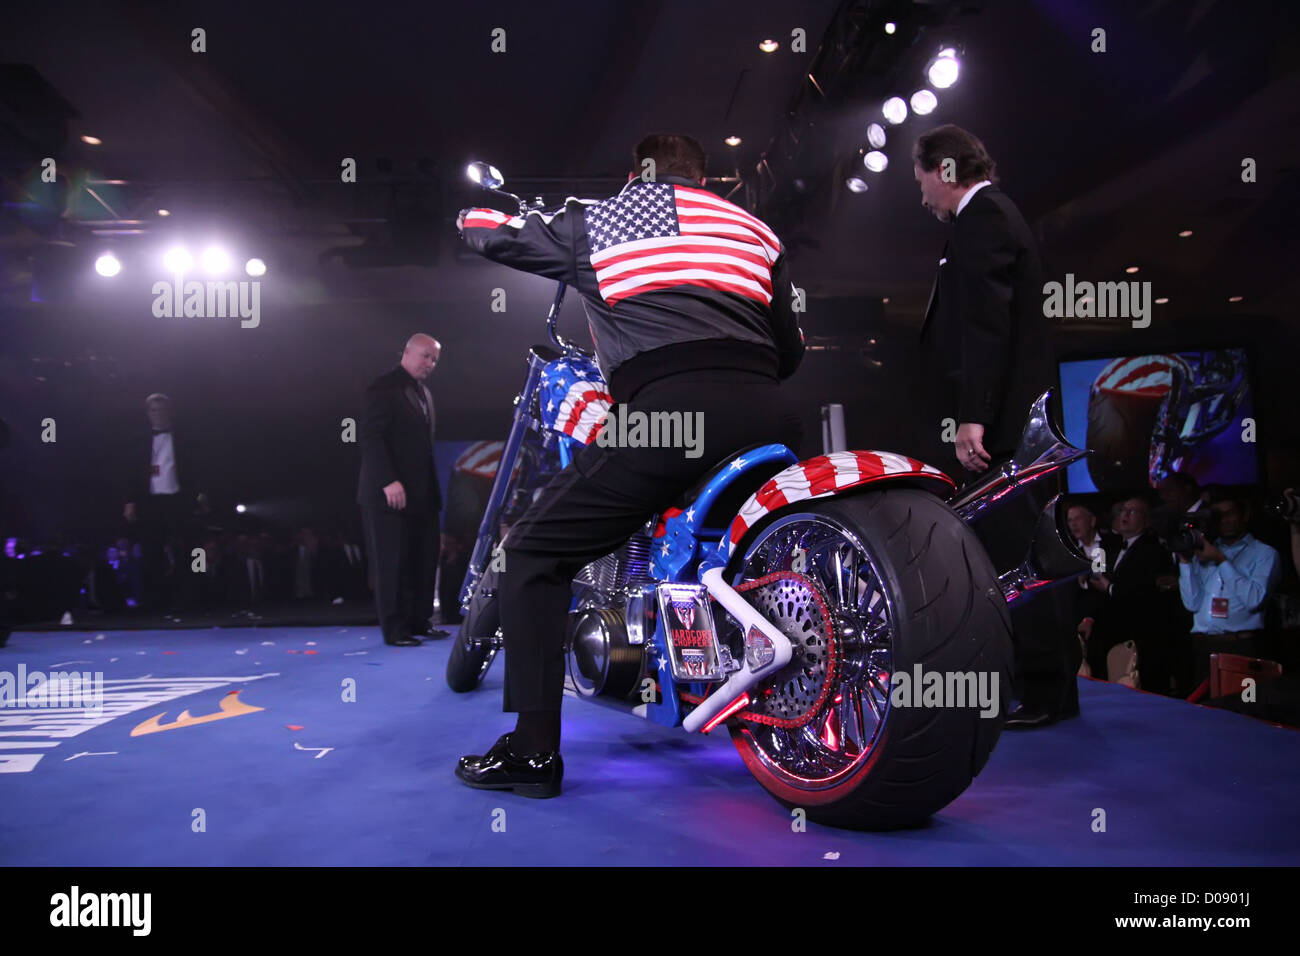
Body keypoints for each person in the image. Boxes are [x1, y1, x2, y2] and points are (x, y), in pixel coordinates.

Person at [453, 133, 804, 797]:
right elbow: (789, 349)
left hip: (669, 411)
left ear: (636, 175)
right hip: (772, 410)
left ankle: (531, 755)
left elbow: (490, 233)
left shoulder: (611, 216)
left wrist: (477, 212)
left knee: (530, 553)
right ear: (701, 177)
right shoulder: (752, 228)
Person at [911, 124, 1069, 728]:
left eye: (920, 176)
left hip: (1003, 425)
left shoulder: (985, 219)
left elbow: (986, 327)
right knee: (1019, 546)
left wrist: (973, 415)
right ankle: (1041, 686)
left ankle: (1044, 689)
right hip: (1008, 420)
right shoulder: (986, 219)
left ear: (943, 170)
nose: (920, 191)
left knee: (1020, 549)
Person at [357, 334, 447, 646]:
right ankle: (395, 630)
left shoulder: (426, 395)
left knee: (424, 559)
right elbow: (371, 437)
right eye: (425, 356)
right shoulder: (382, 388)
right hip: (388, 493)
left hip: (422, 495)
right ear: (407, 353)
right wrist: (387, 480)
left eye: (434, 359)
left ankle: (420, 622)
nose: (430, 364)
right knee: (392, 563)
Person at [1177, 488, 1281, 689]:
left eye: (1230, 513)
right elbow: (1192, 604)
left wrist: (1221, 560)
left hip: (1241, 647)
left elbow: (1254, 601)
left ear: (1245, 515)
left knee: (1244, 708)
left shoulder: (1264, 553)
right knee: (1206, 711)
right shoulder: (1204, 550)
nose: (1224, 520)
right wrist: (1185, 561)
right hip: (1204, 646)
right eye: (1217, 516)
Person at [1084, 495, 1174, 685]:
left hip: (1138, 634)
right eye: (1123, 510)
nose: (1124, 515)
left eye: (1132, 511)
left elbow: (1145, 591)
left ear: (1146, 519)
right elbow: (1095, 580)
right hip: (1107, 630)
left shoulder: (1154, 550)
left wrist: (1110, 588)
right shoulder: (1110, 546)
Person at [123, 393, 196, 613]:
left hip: (178, 499)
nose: (158, 414)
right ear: (148, 414)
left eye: (161, 410)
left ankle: (189, 598)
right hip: (150, 500)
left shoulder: (185, 437)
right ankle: (155, 601)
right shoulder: (138, 440)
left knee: (187, 550)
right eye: (153, 410)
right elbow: (131, 473)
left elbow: (197, 468)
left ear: (169, 412)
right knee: (151, 551)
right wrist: (130, 501)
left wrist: (201, 495)